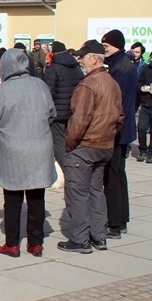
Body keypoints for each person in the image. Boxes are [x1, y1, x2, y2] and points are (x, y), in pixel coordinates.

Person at [0, 49, 56, 257]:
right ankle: (36, 243)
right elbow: (52, 113)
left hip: (13, 148)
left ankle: (12, 243)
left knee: (13, 198)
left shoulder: (1, 90)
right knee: (36, 197)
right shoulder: (40, 85)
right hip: (40, 147)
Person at [59, 40, 124, 254]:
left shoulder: (89, 84)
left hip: (86, 145)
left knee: (78, 193)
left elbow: (80, 120)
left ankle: (80, 239)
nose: (80, 60)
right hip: (104, 145)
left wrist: (70, 143)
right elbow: (120, 116)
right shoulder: (111, 82)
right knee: (96, 191)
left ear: (94, 58)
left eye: (83, 57)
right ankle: (98, 235)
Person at [100, 29, 138, 239]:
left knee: (112, 176)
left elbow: (115, 101)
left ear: (117, 45)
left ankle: (114, 223)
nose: (104, 49)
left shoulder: (120, 68)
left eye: (107, 46)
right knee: (118, 174)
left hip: (118, 129)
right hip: (125, 127)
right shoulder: (123, 64)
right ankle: (121, 219)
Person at [43, 41, 83, 161]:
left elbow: (48, 92)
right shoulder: (76, 67)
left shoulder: (53, 68)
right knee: (71, 141)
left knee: (59, 143)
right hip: (74, 110)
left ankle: (63, 169)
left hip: (58, 113)